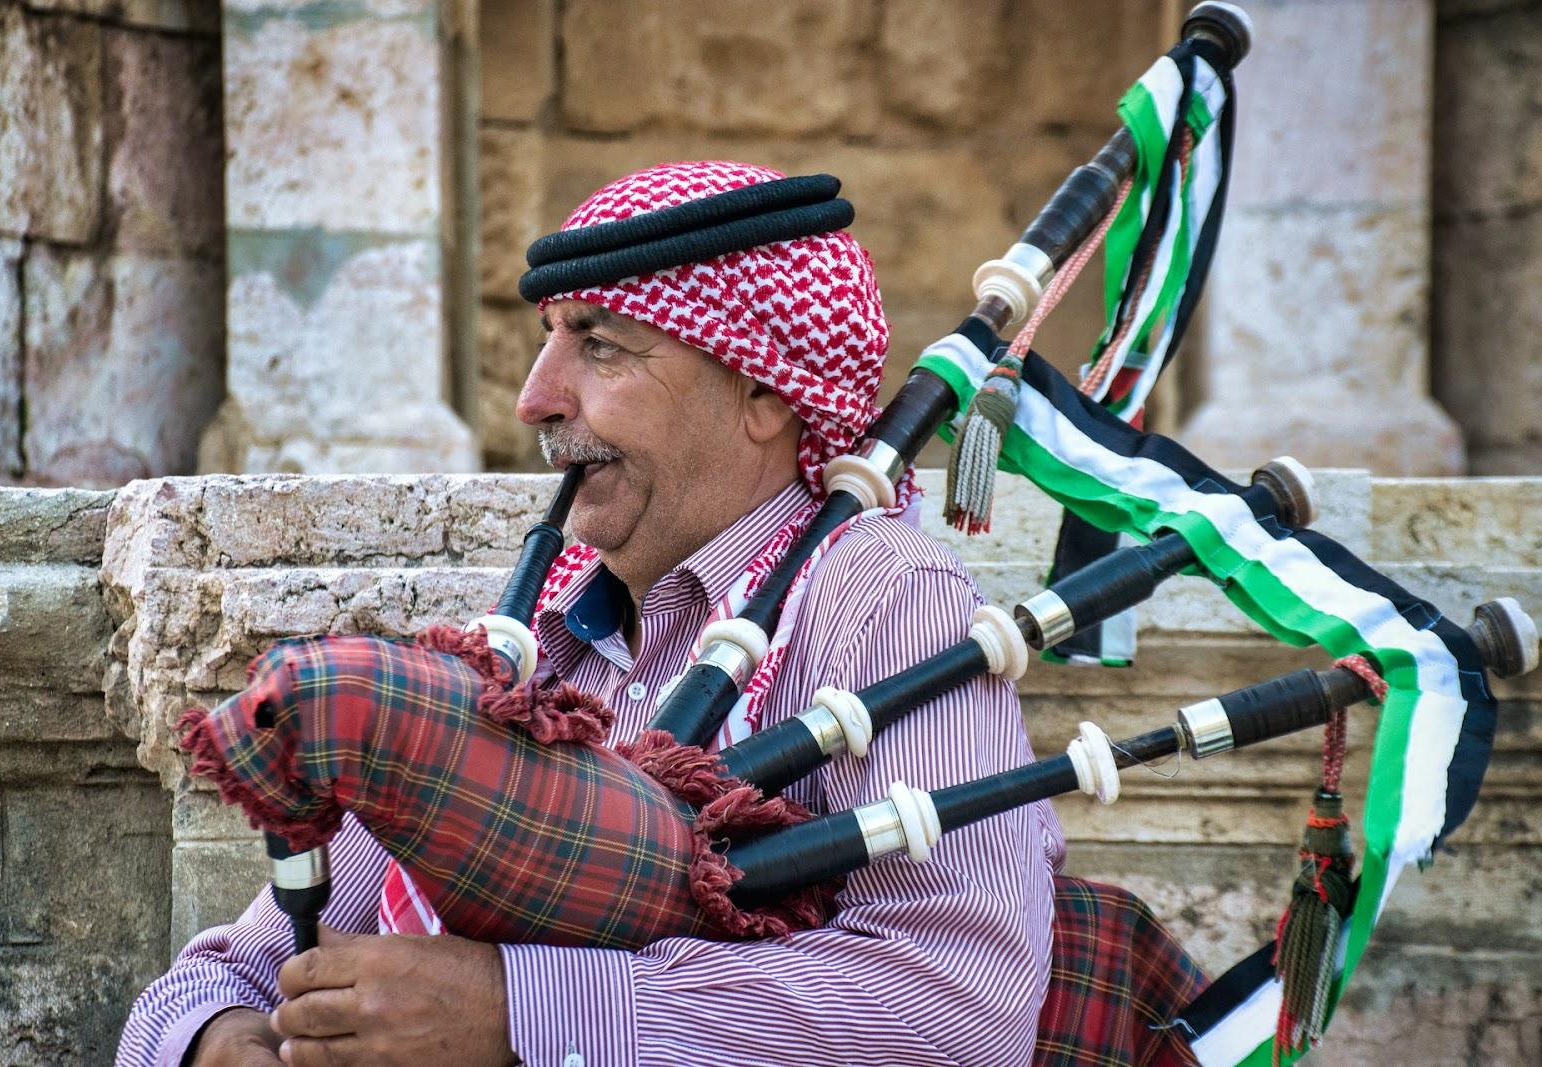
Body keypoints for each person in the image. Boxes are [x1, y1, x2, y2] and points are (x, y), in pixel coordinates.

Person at [117, 160, 1065, 1067]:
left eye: (600, 345)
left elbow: (955, 1008)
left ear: (765, 392)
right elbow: (232, 970)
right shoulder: (542, 646)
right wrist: (224, 1041)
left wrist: (514, 1011)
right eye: (550, 339)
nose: (535, 398)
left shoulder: (883, 605)